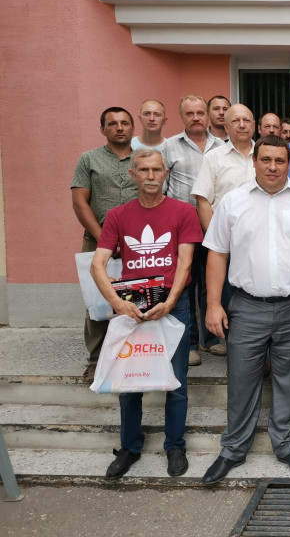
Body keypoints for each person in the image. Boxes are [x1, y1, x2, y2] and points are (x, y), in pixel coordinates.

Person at [201, 135, 290, 483]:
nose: (273, 167)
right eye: (266, 160)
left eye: (280, 160)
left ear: (289, 164)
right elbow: (217, 254)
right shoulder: (232, 202)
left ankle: (286, 444)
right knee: (242, 379)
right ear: (255, 161)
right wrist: (213, 304)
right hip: (246, 306)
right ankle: (233, 449)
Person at [91, 147, 203, 479]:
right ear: (133, 175)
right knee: (129, 384)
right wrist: (117, 303)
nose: (151, 176)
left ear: (165, 173)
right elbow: (97, 264)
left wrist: (170, 301)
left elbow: (185, 263)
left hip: (174, 306)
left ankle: (175, 445)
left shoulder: (184, 212)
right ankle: (129, 447)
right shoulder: (117, 215)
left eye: (156, 170)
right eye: (144, 170)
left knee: (176, 382)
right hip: (133, 307)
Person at [71, 107, 139, 381]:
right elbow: (80, 203)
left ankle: (135, 356)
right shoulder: (88, 159)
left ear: (133, 127)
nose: (119, 128)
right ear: (103, 129)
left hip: (137, 243)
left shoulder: (144, 158)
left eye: (124, 123)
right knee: (98, 302)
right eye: (113, 124)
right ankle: (96, 360)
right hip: (98, 241)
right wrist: (104, 238)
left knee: (138, 298)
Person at [190, 104, 258, 357]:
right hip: (226, 245)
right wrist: (217, 240)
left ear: (254, 125)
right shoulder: (214, 157)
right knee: (229, 302)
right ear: (225, 126)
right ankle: (237, 355)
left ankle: (261, 354)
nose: (242, 125)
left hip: (261, 243)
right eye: (235, 121)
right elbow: (203, 200)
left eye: (246, 120)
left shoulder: (265, 155)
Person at [163, 95, 225, 366]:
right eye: (190, 113)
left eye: (200, 112)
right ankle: (189, 344)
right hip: (181, 228)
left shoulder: (221, 145)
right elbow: (162, 187)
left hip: (212, 225)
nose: (196, 117)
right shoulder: (169, 146)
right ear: (182, 116)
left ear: (208, 116)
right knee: (185, 284)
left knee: (211, 283)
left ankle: (211, 339)